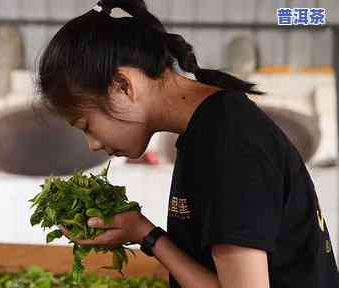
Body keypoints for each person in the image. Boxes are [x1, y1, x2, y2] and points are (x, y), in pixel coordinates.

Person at [37, 0, 339, 287]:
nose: (92, 144)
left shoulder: (228, 143)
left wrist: (149, 237)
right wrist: (142, 232)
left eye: (86, 126)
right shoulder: (208, 127)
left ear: (122, 86)